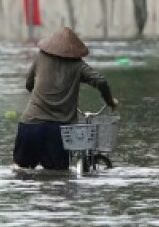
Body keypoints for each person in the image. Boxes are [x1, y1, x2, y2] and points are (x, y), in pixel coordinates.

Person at [13, 27, 119, 170]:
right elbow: (101, 81)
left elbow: (28, 84)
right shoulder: (78, 66)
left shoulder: (40, 57)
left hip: (30, 125)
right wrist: (110, 101)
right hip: (58, 131)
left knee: (21, 170)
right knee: (58, 179)